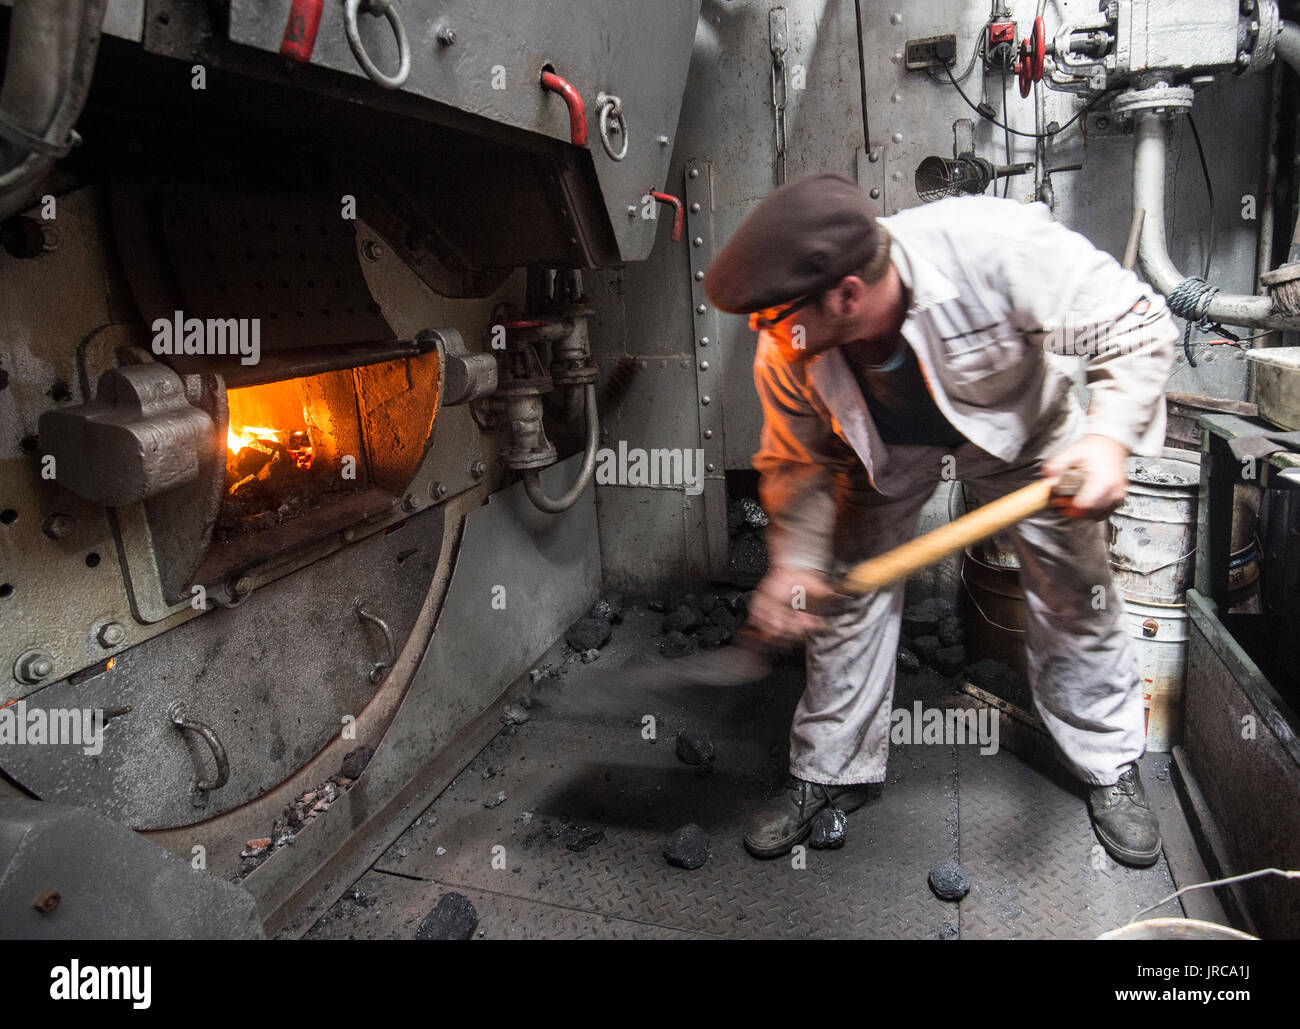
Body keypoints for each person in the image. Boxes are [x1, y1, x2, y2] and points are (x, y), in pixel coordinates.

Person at [703, 173, 1177, 865]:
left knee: (1076, 588)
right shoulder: (788, 342)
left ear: (847, 293)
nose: (764, 333)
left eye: (775, 318)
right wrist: (796, 563)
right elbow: (796, 462)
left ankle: (1108, 762)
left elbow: (1137, 322)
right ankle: (831, 770)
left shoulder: (992, 245)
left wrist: (1108, 439)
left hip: (1023, 431)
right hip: (885, 453)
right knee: (845, 586)